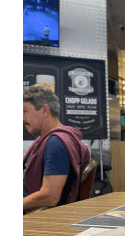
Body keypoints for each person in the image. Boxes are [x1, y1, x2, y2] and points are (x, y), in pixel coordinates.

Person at [23, 85, 90, 213]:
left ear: (44, 110)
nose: (22, 118)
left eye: (25, 111)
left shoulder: (56, 143)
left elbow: (50, 197)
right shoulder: (46, 139)